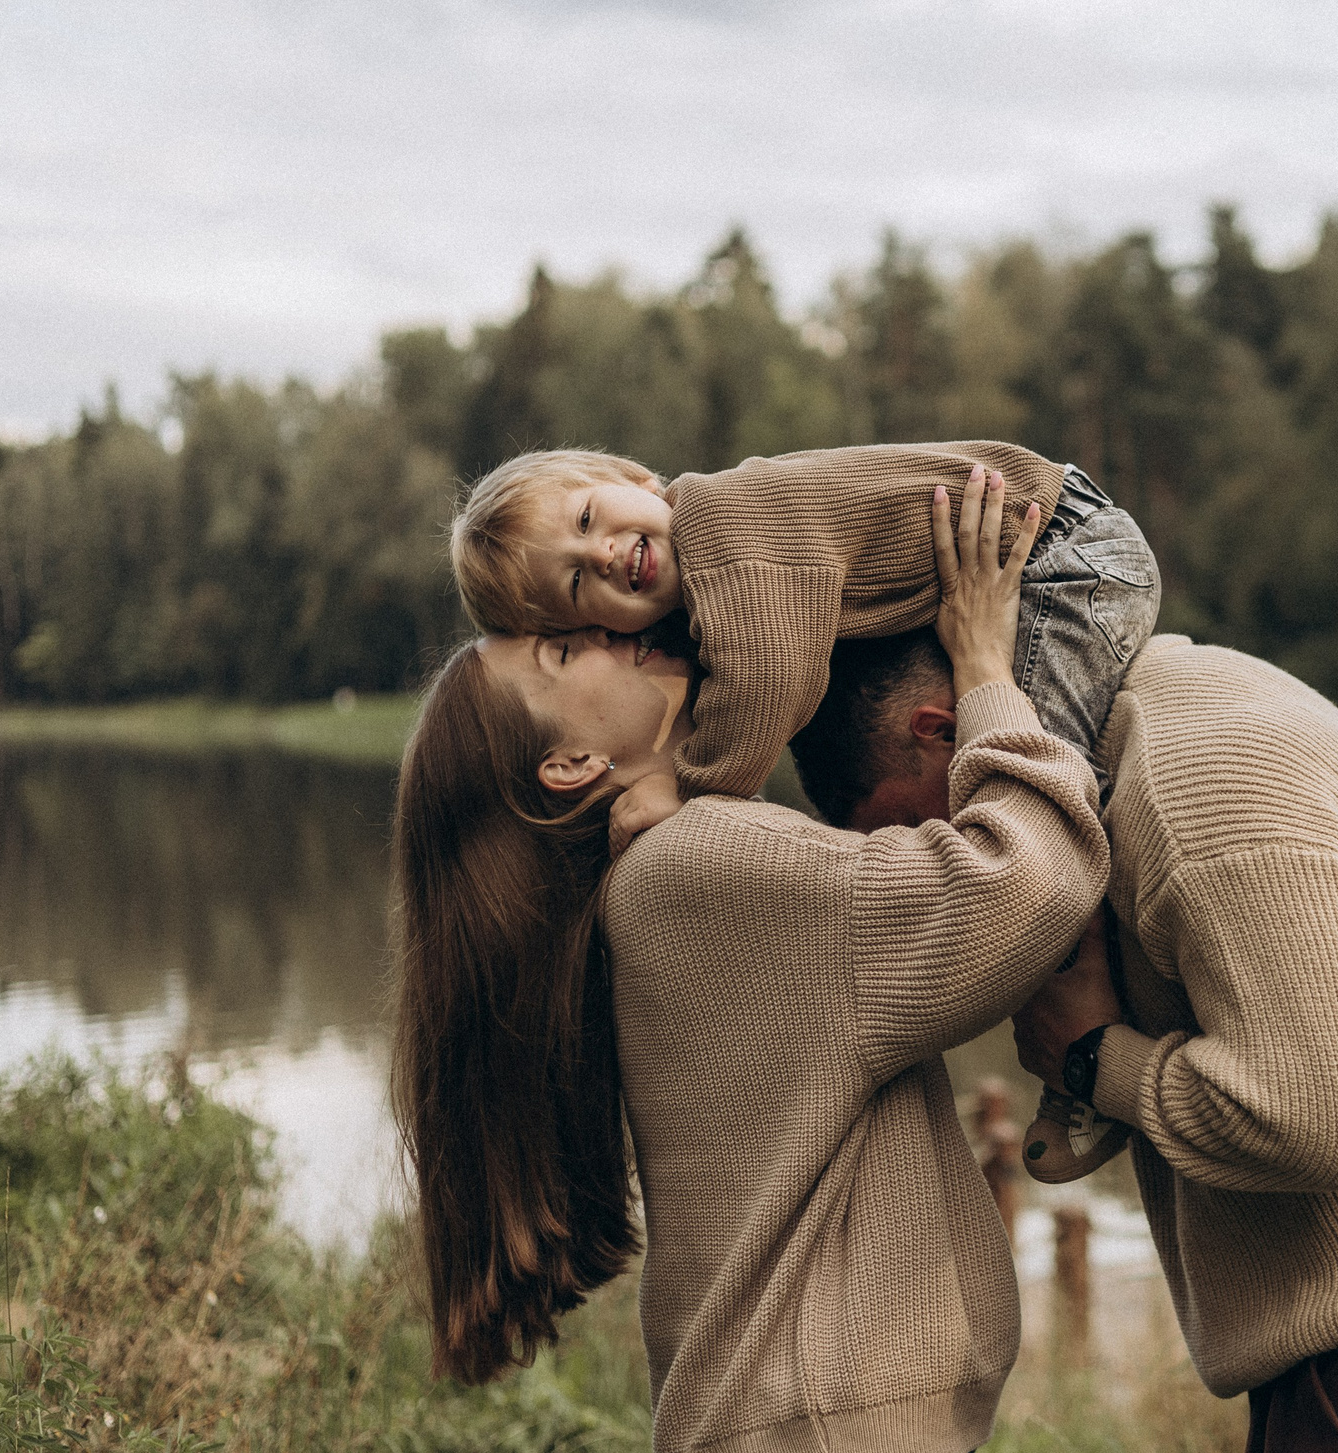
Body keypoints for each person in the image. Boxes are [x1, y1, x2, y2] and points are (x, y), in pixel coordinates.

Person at [389, 469, 1109, 1453]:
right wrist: (987, 666)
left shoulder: (658, 870)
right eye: (561, 647)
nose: (598, 625)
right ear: (572, 760)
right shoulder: (695, 867)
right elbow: (1024, 887)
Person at [792, 629, 1338, 1453]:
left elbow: (1325, 1118)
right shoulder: (1142, 739)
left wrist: (1098, 1056)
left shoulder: (1192, 780)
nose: (951, 863)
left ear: (941, 733)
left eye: (921, 830)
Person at [449, 439, 1159, 1177]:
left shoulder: (725, 526)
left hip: (1064, 556)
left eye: (590, 516)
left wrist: (686, 784)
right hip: (1056, 542)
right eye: (573, 587)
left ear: (634, 478)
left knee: (1050, 782)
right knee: (1030, 785)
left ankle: (1091, 1036)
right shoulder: (711, 581)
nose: (600, 554)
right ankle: (1092, 1037)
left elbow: (773, 680)